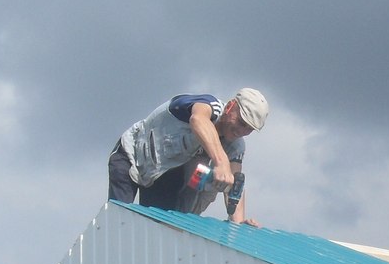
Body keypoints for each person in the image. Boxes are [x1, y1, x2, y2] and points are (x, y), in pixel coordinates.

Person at [107, 88, 269, 224]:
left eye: (249, 129)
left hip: (162, 177)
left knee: (160, 229)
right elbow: (198, 120)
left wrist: (238, 225)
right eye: (241, 122)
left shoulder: (235, 146)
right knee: (120, 219)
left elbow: (233, 185)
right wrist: (221, 162)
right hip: (132, 156)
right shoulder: (208, 105)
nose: (241, 131)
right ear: (230, 107)